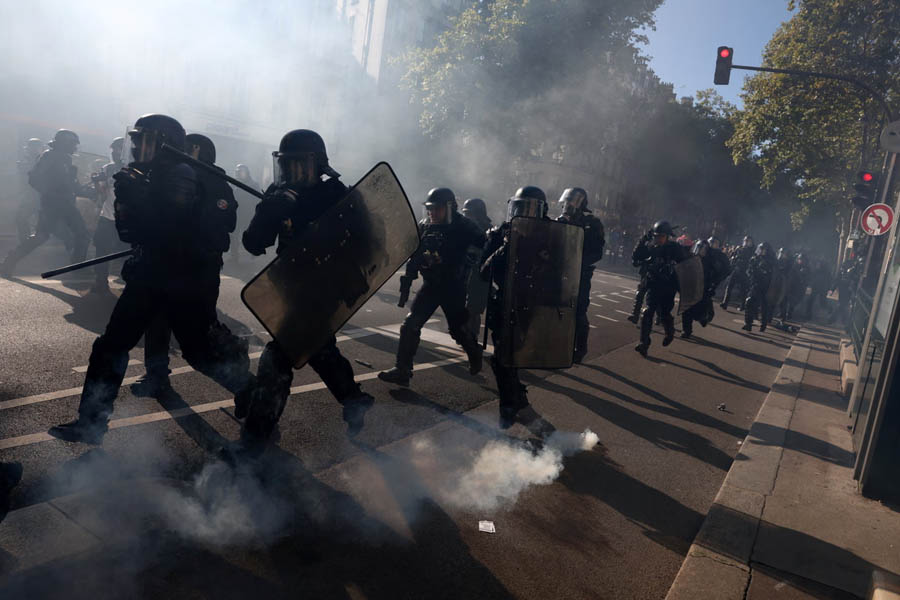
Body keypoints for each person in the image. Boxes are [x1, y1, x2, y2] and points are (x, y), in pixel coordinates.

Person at [48, 114, 255, 444]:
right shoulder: (150, 174)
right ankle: (91, 423)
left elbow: (171, 228)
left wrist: (137, 197)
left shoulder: (184, 175)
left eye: (147, 141)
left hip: (185, 280)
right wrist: (127, 198)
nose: (138, 147)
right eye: (137, 141)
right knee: (112, 345)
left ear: (165, 144)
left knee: (198, 352)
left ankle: (252, 390)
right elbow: (130, 232)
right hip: (152, 274)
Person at [237, 129, 375, 449]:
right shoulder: (279, 193)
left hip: (325, 289)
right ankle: (353, 399)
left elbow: (367, 244)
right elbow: (254, 244)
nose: (292, 173)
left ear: (318, 165)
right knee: (319, 350)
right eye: (288, 165)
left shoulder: (337, 195)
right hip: (290, 287)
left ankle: (255, 440)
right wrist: (270, 211)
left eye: (301, 165)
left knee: (277, 360)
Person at [130, 133, 239, 397]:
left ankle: (245, 385)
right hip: (170, 264)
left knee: (200, 336)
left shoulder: (215, 183)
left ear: (196, 151)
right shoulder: (176, 176)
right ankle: (157, 377)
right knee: (157, 321)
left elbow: (225, 223)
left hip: (199, 267)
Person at [379, 187, 485, 386]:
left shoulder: (464, 226)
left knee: (457, 330)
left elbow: (483, 242)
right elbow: (413, 249)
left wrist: (468, 260)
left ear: (450, 208)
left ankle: (474, 352)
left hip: (453, 287)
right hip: (431, 284)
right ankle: (403, 370)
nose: (432, 213)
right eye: (430, 209)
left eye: (437, 209)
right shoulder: (425, 226)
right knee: (410, 325)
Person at [479, 185, 549, 427]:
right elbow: (483, 271)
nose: (524, 215)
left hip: (529, 305)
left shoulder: (549, 235)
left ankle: (512, 405)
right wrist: (504, 248)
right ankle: (513, 404)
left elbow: (560, 273)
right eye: (519, 208)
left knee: (509, 357)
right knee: (501, 358)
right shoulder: (500, 234)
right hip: (503, 304)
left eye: (530, 209)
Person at [2, 129, 89, 277]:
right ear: (64, 143)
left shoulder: (66, 159)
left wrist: (87, 190)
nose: (75, 147)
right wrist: (51, 193)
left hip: (66, 203)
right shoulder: (49, 156)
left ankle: (76, 267)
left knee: (79, 234)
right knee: (43, 236)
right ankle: (8, 263)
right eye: (73, 144)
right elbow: (34, 179)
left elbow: (70, 184)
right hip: (52, 205)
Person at [556, 187, 605, 362]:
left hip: (580, 274)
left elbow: (597, 252)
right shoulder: (562, 220)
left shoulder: (592, 223)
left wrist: (578, 263)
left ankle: (580, 347)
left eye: (571, 202)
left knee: (578, 310)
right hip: (558, 271)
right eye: (566, 202)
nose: (567, 206)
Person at [632, 220, 685, 357]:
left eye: (661, 236)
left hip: (668, 287)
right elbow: (636, 257)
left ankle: (669, 331)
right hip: (654, 284)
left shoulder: (675, 248)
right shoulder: (651, 247)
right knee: (647, 312)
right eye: (656, 236)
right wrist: (644, 239)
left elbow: (686, 265)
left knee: (664, 314)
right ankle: (644, 343)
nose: (658, 239)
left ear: (667, 236)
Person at [88, 137, 129, 296]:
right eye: (113, 150)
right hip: (108, 216)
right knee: (101, 250)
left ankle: (130, 283)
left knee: (126, 252)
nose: (115, 153)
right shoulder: (108, 168)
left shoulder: (134, 168)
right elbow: (102, 192)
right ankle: (100, 282)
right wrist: (97, 182)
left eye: (118, 149)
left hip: (127, 219)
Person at [681, 238, 729, 339]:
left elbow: (719, 273)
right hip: (691, 287)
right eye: (699, 248)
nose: (700, 250)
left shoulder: (711, 261)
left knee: (700, 313)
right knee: (686, 310)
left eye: (703, 249)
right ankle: (686, 330)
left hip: (704, 288)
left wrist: (713, 285)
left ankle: (704, 318)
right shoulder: (691, 258)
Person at [462, 197, 493, 337]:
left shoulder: (489, 232)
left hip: (479, 276)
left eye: (469, 213)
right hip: (465, 274)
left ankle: (470, 338)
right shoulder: (467, 228)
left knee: (472, 310)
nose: (466, 217)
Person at [13, 138, 44, 243]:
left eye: (35, 147)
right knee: (21, 218)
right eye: (31, 147)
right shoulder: (25, 161)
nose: (32, 149)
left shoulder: (45, 160)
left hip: (42, 196)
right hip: (30, 195)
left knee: (47, 221)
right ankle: (26, 241)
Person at [230, 163, 259, 263]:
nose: (239, 173)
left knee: (250, 235)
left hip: (248, 214)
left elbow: (257, 200)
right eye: (238, 172)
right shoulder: (233, 184)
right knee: (234, 236)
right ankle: (234, 256)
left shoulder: (253, 185)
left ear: (246, 172)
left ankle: (252, 254)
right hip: (237, 214)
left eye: (241, 171)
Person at [742, 242, 774, 332]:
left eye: (763, 249)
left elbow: (772, 275)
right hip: (755, 285)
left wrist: (763, 272)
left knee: (764, 307)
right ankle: (748, 324)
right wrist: (751, 273)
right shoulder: (755, 258)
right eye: (760, 249)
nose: (761, 251)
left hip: (766, 287)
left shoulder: (770, 261)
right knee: (749, 302)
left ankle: (763, 324)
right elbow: (749, 270)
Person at [721, 235, 754, 310]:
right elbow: (734, 256)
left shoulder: (752, 251)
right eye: (745, 241)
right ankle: (725, 303)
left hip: (744, 271)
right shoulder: (740, 248)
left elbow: (749, 260)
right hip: (737, 269)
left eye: (747, 241)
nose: (745, 242)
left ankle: (742, 305)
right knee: (729, 286)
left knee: (743, 289)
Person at [782, 253, 809, 322]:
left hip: (798, 288)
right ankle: (784, 314)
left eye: (801, 259)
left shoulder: (806, 268)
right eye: (799, 259)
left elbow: (806, 279)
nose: (800, 261)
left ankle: (789, 313)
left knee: (793, 302)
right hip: (790, 286)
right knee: (786, 300)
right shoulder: (793, 266)